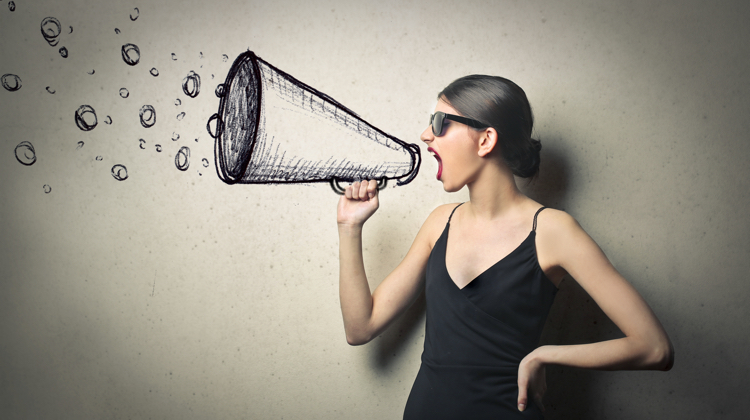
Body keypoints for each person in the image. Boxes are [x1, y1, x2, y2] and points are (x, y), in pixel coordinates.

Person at [336, 75, 673, 419]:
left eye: (439, 123)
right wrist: (350, 227)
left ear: (485, 140)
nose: (426, 135)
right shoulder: (440, 222)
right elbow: (360, 328)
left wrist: (544, 355)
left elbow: (655, 347)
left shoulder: (553, 231)